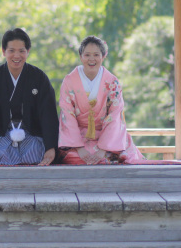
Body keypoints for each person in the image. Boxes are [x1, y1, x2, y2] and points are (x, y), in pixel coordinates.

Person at [0, 28, 59, 166]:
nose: (17, 56)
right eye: (11, 50)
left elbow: (48, 115)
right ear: (3, 51)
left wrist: (51, 148)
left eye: (21, 51)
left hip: (30, 135)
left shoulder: (39, 78)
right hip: (1, 134)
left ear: (28, 51)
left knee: (36, 152)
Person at [58, 36, 145, 164]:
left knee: (119, 157)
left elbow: (115, 115)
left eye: (96, 54)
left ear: (103, 56)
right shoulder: (69, 81)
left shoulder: (112, 82)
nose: (91, 59)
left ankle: (107, 153)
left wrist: (103, 150)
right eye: (87, 55)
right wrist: (80, 149)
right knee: (73, 157)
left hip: (108, 136)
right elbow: (67, 114)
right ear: (81, 56)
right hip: (78, 138)